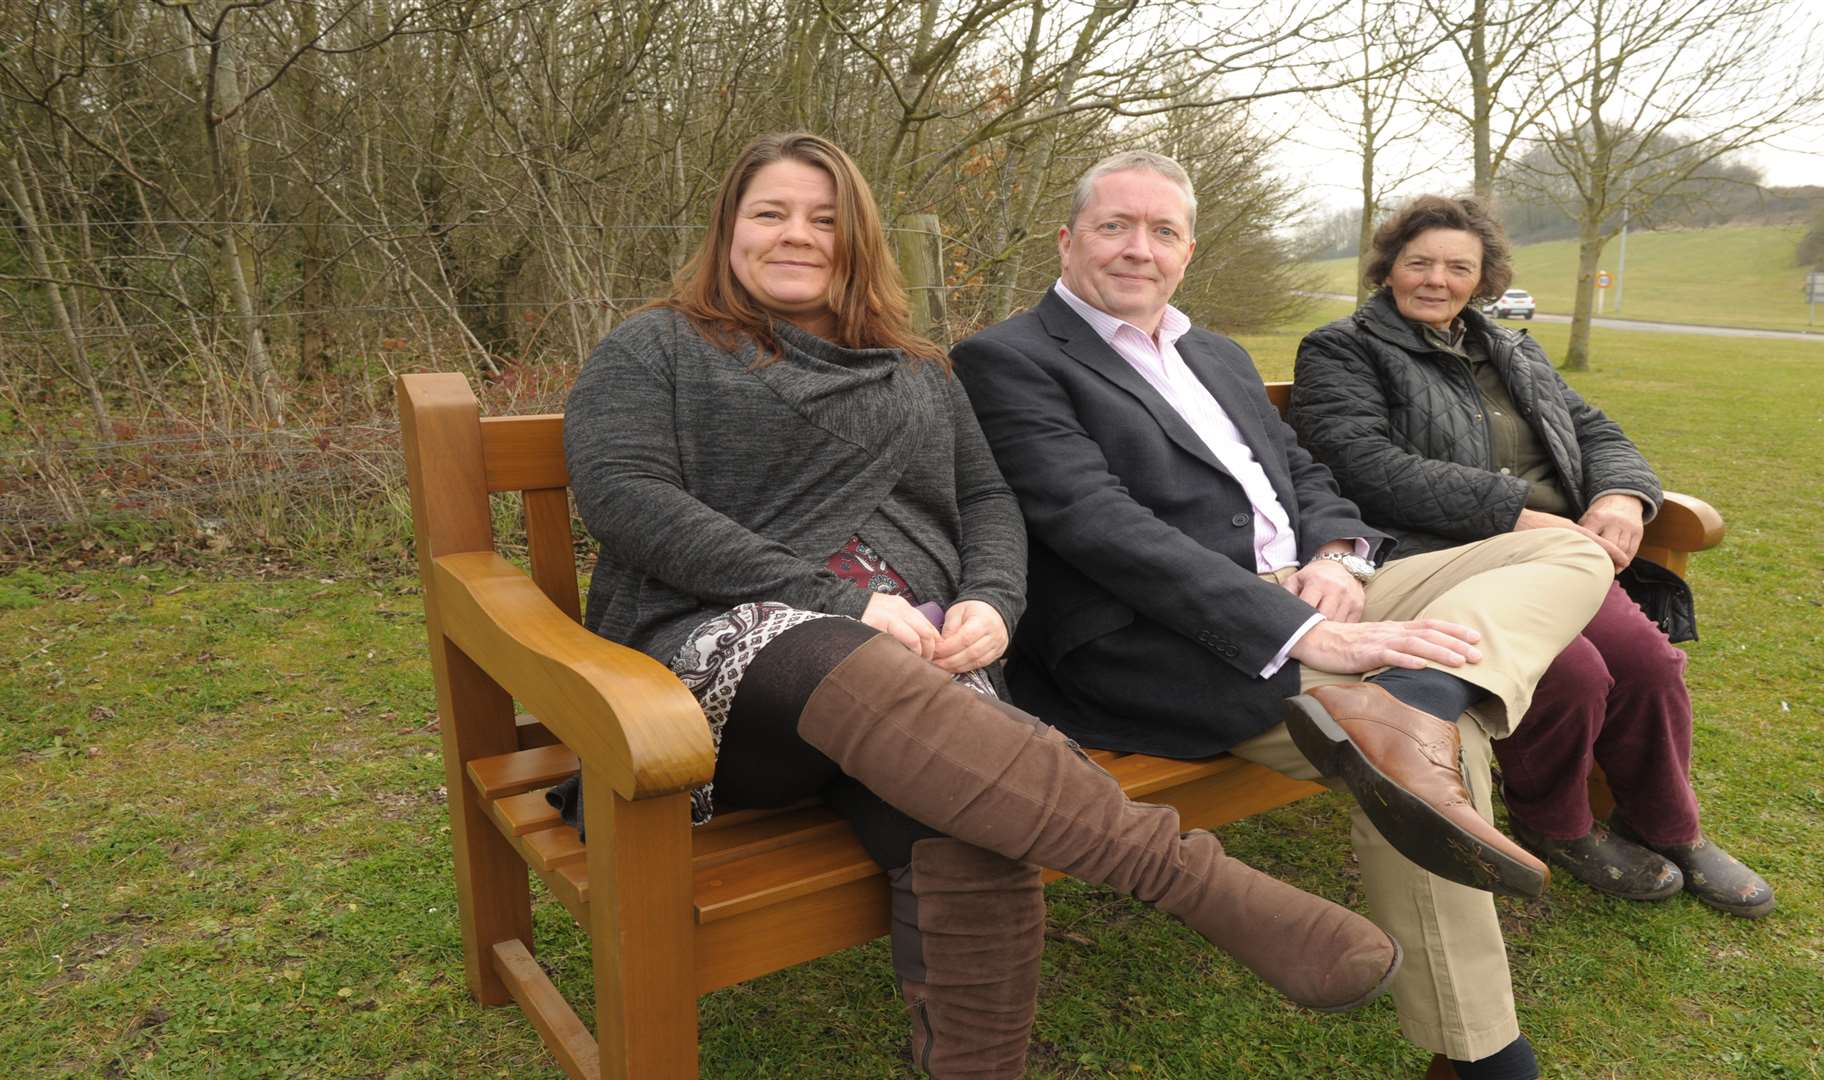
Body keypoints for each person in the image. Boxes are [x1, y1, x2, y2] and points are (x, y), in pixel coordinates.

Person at [558, 133, 1401, 1080]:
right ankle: (1194, 884)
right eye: (771, 214)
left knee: (971, 811)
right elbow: (627, 498)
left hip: (921, 675)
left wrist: (993, 604)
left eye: (824, 220)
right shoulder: (656, 347)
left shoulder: (913, 366)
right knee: (857, 663)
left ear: (857, 243)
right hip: (713, 683)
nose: (798, 236)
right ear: (727, 231)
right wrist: (836, 600)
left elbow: (989, 501)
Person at [953, 151, 1619, 1080]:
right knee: (1451, 746)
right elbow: (1097, 526)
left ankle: (1419, 694)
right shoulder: (1006, 361)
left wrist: (1340, 559)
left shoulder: (1214, 353)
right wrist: (1306, 632)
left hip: (1315, 588)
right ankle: (1482, 1057)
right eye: (1115, 226)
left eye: (1162, 231)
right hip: (1174, 636)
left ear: (1188, 251)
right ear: (1068, 240)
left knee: (1568, 547)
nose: (1138, 249)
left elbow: (1304, 474)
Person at [1287, 193, 1774, 920]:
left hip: (1555, 550)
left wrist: (1619, 496)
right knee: (1572, 670)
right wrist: (1512, 510)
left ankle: (1666, 826)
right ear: (1388, 269)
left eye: (1459, 266)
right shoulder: (1342, 349)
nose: (1436, 279)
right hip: (1442, 556)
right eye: (1418, 263)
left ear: (1483, 279)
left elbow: (1596, 429)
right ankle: (1556, 826)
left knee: (1648, 664)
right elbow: (1364, 465)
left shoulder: (1508, 347)